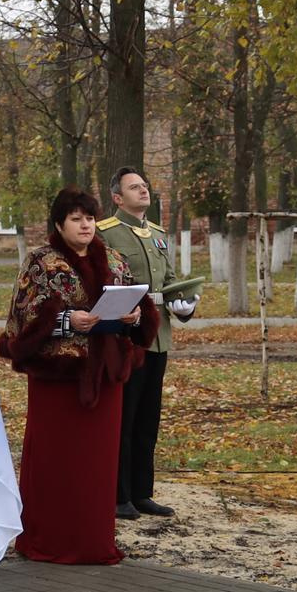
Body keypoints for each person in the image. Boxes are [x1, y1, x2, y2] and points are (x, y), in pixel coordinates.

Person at [0, 187, 158, 564]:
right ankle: (48, 540)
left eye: (89, 218)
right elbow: (22, 322)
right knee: (57, 462)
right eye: (76, 219)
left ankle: (92, 540)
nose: (85, 225)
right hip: (59, 381)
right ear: (59, 224)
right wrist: (68, 321)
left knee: (96, 467)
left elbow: (137, 309)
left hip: (106, 378)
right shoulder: (42, 263)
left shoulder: (115, 259)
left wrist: (134, 317)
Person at [98, 166, 187, 521]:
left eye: (144, 185)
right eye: (134, 187)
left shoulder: (158, 234)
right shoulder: (106, 232)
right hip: (127, 336)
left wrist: (184, 301)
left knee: (148, 419)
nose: (143, 190)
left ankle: (141, 492)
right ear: (118, 198)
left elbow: (171, 280)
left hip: (158, 335)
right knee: (125, 418)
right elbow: (103, 280)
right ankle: (118, 495)